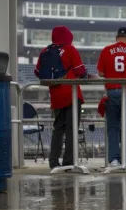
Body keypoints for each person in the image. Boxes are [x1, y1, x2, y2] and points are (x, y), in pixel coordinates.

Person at [34, 26, 88, 169]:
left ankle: (53, 162)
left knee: (58, 129)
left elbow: (37, 72)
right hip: (71, 94)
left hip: (56, 96)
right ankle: (69, 162)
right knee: (71, 129)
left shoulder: (45, 51)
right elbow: (80, 70)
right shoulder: (70, 49)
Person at [97, 27, 126, 166]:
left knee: (112, 127)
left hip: (112, 93)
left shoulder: (106, 50)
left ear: (116, 37)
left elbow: (100, 73)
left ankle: (114, 160)